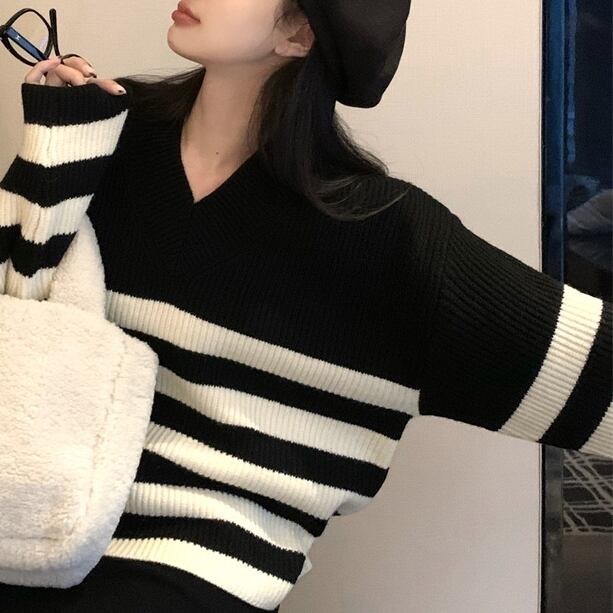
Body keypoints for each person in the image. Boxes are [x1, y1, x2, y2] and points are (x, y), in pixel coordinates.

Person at [0, 1, 610, 611]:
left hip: (197, 564)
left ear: (299, 33)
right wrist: (59, 147)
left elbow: (592, 373)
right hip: (29, 514)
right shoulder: (108, 129)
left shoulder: (388, 236)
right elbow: (22, 322)